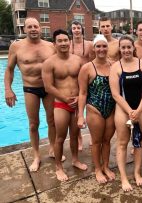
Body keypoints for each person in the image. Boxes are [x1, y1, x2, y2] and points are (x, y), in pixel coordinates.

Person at [4, 17, 57, 172]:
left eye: (36, 26)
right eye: (30, 27)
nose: (33, 29)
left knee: (52, 120)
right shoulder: (16, 47)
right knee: (34, 124)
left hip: (49, 89)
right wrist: (8, 89)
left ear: (40, 28)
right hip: (30, 88)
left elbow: (59, 65)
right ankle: (36, 155)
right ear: (25, 29)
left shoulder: (50, 46)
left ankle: (53, 149)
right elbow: (9, 69)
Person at [42, 29, 88, 181]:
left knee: (75, 135)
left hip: (77, 103)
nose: (63, 43)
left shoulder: (78, 60)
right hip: (61, 104)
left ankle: (75, 160)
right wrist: (66, 99)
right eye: (59, 41)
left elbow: (85, 81)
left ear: (70, 41)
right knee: (60, 137)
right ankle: (58, 167)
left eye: (65, 40)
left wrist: (79, 99)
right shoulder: (49, 63)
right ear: (54, 44)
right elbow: (48, 87)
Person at [109, 35, 142, 191]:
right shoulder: (116, 67)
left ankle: (137, 173)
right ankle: (124, 178)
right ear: (119, 49)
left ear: (134, 48)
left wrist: (138, 110)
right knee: (122, 143)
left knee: (138, 142)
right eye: (123, 47)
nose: (126, 50)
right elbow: (115, 94)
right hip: (122, 110)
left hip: (141, 108)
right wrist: (129, 111)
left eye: (128, 47)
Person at [77, 35, 116, 183]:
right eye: (98, 46)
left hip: (111, 109)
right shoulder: (87, 68)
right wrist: (80, 115)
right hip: (95, 109)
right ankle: (97, 169)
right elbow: (82, 93)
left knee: (107, 140)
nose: (101, 49)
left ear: (107, 48)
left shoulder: (114, 65)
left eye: (104, 46)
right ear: (93, 48)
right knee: (96, 141)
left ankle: (105, 166)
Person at [69, 20, 94, 150]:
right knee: (77, 111)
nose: (77, 30)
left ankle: (92, 134)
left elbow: (94, 60)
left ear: (82, 29)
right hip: (74, 79)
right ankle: (79, 138)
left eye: (78, 27)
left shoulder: (89, 44)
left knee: (90, 107)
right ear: (71, 30)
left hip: (87, 79)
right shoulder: (68, 45)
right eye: (74, 28)